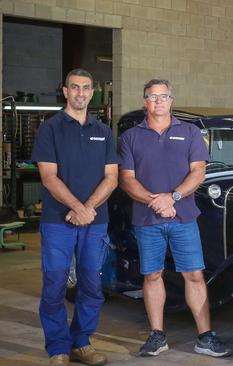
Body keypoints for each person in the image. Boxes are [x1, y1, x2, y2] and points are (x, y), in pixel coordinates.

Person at [118, 79, 232, 357]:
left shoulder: (190, 132)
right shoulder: (130, 137)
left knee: (194, 274)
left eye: (164, 96)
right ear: (145, 101)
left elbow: (198, 172)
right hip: (147, 219)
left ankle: (205, 337)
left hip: (184, 218)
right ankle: (157, 336)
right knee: (152, 274)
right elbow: (126, 179)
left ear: (171, 100)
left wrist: (173, 198)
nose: (158, 101)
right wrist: (156, 201)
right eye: (153, 96)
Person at [32, 68, 118, 366]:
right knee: (55, 283)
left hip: (95, 222)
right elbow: (48, 176)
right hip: (58, 220)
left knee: (92, 285)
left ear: (92, 92)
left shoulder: (103, 131)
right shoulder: (50, 128)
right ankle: (58, 347)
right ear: (65, 91)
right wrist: (77, 208)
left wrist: (88, 209)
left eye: (86, 87)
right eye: (74, 87)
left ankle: (81, 343)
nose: (80, 92)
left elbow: (112, 178)